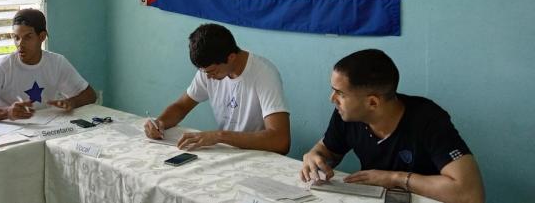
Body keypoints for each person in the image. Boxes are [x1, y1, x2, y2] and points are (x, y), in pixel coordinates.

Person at [300, 49, 484, 203]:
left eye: (340, 93)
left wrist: (394, 178)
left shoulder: (429, 119)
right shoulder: (346, 114)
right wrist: (315, 156)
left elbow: (470, 194)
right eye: (332, 90)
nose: (332, 99)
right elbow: (329, 151)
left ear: (372, 103)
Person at [143, 23, 290, 153]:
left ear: (231, 57)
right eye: (204, 72)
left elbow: (280, 140)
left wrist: (219, 136)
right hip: (226, 152)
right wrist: (160, 123)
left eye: (212, 71)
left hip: (258, 156)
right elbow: (182, 106)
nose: (208, 77)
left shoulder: (264, 73)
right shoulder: (209, 70)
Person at [0, 9, 97, 121]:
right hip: (11, 136)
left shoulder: (57, 63)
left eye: (27, 37)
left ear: (42, 37)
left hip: (45, 131)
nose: (20, 44)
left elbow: (90, 95)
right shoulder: (2, 67)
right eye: (16, 37)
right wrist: (7, 112)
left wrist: (71, 103)